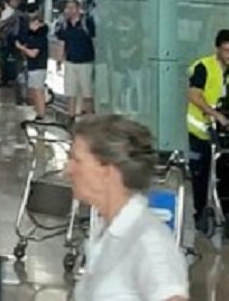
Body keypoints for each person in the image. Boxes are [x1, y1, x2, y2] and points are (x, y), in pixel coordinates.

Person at [68, 115, 189, 301]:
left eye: (77, 160)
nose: (67, 170)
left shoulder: (149, 241)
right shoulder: (105, 231)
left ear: (108, 171)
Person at [187, 28, 229, 233]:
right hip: (203, 130)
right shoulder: (202, 67)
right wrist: (216, 116)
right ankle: (200, 213)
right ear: (217, 49)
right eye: (227, 51)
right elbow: (194, 96)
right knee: (201, 173)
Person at [54, 0, 98, 116]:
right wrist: (59, 60)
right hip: (70, 62)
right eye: (68, 8)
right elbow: (62, 43)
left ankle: (89, 118)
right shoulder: (64, 24)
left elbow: (95, 41)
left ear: (78, 9)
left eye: (72, 7)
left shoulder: (87, 23)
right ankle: (71, 116)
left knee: (87, 93)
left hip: (86, 62)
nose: (69, 10)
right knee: (70, 92)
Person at [15, 11, 51, 120]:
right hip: (33, 67)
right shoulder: (32, 37)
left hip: (38, 67)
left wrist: (21, 48)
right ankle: (39, 111)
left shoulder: (40, 38)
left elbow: (33, 53)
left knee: (38, 91)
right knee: (35, 91)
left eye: (34, 24)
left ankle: (41, 113)